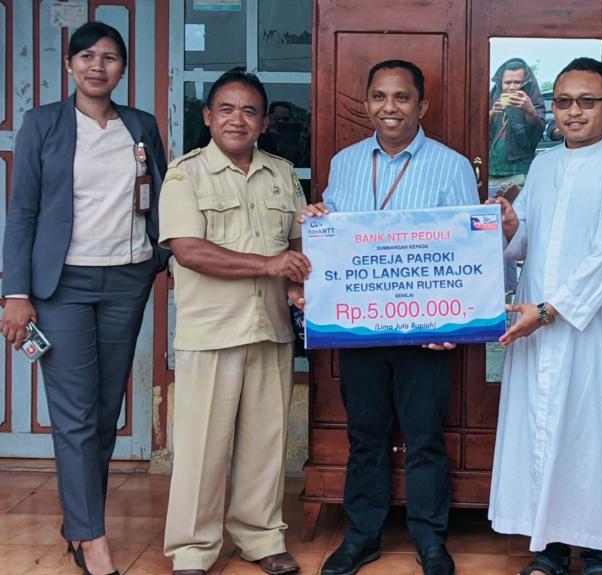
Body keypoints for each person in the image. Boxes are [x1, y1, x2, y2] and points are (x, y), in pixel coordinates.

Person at [0, 21, 168, 575]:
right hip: (61, 287)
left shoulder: (140, 125)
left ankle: (77, 522)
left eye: (111, 58)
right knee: (73, 415)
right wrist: (15, 294)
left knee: (102, 412)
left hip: (126, 280)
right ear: (70, 65)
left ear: (122, 69)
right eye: (88, 56)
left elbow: (160, 199)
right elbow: (22, 211)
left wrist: (162, 262)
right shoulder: (42, 122)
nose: (99, 66)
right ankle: (93, 540)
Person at [300, 59, 479, 575]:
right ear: (367, 104)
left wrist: (458, 323)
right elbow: (334, 235)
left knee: (425, 436)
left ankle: (430, 540)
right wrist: (317, 220)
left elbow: (468, 248)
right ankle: (362, 536)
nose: (389, 108)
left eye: (401, 98)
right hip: (360, 329)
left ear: (422, 106)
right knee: (366, 434)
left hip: (427, 331)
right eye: (379, 97)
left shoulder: (451, 166)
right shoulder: (347, 162)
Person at [487, 57, 602, 575]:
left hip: (592, 330)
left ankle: (599, 552)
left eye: (587, 101)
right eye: (563, 101)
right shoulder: (545, 163)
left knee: (593, 438)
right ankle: (550, 550)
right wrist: (511, 224)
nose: (573, 112)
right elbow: (524, 241)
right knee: (541, 432)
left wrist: (548, 312)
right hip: (537, 323)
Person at [159, 69, 311, 575]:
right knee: (201, 448)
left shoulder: (284, 173)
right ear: (207, 117)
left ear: (264, 121)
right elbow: (189, 250)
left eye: (249, 111)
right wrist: (269, 266)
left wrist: (297, 279)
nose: (237, 120)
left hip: (270, 326)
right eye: (226, 109)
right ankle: (192, 549)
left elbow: (296, 242)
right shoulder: (185, 174)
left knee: (265, 443)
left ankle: (261, 538)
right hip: (211, 330)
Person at [488, 58, 546, 293]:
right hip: (491, 175)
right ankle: (501, 287)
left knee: (517, 231)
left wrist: (529, 110)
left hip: (520, 176)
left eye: (517, 83)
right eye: (507, 83)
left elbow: (538, 133)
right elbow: (478, 134)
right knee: (493, 233)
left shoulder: (532, 103)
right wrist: (491, 115)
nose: (511, 88)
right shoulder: (493, 98)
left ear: (526, 83)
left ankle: (518, 290)